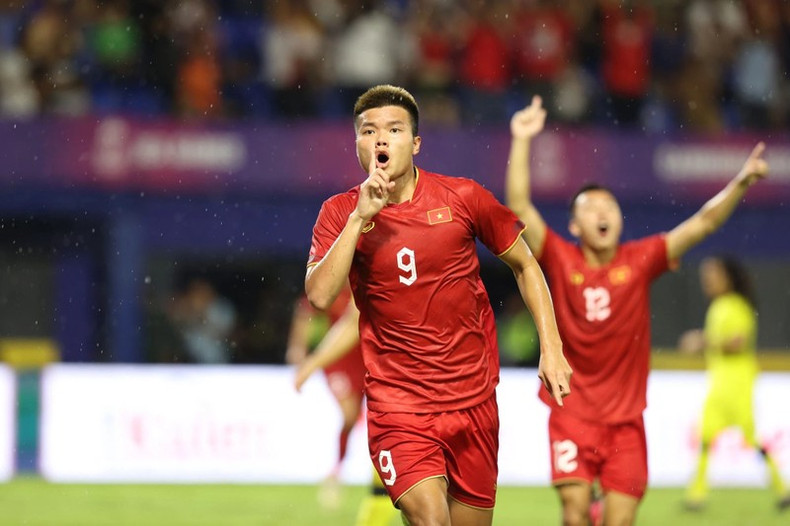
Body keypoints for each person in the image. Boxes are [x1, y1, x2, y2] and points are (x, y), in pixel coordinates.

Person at [305, 84, 572, 526]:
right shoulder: (338, 212)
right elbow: (318, 295)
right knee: (432, 520)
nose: (381, 140)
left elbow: (526, 265)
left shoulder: (463, 198)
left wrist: (553, 346)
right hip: (399, 406)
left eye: (393, 129)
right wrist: (360, 217)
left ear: (416, 143)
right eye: (369, 132)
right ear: (357, 144)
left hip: (473, 402)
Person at [505, 95, 769, 526]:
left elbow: (701, 223)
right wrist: (521, 140)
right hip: (571, 414)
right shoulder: (559, 257)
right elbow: (519, 208)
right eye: (590, 207)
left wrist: (740, 181)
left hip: (626, 422)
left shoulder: (641, 259)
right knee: (573, 515)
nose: (602, 211)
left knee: (620, 521)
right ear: (574, 226)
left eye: (609, 205)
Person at [679, 256, 790, 511]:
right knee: (707, 435)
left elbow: (738, 342)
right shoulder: (721, 305)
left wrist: (703, 341)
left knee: (748, 437)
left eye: (713, 274)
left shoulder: (735, 306)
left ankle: (782, 488)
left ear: (727, 277)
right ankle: (696, 496)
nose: (706, 280)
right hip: (721, 381)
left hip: (736, 382)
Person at [294, 300, 398, 526]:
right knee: (355, 418)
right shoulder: (343, 275)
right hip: (345, 357)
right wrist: (304, 355)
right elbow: (315, 310)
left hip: (374, 359)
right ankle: (337, 470)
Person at [286, 287, 366, 509]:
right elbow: (306, 310)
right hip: (337, 357)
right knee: (350, 416)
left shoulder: (368, 275)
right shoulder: (334, 280)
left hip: (367, 356)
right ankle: (337, 471)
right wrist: (298, 349)